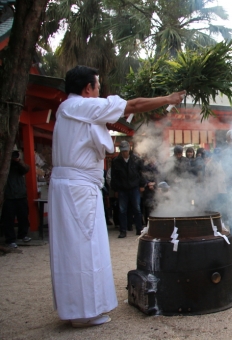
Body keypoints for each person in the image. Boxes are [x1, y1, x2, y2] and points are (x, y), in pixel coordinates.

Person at [48, 65, 185, 327]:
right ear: (87, 89)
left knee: (79, 247)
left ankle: (81, 308)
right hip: (77, 190)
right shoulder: (81, 106)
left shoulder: (70, 109)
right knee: (83, 247)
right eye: (98, 86)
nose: (100, 91)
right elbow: (133, 105)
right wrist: (168, 99)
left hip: (74, 187)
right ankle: (83, 312)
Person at [110, 141, 146, 238]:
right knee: (122, 210)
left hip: (134, 187)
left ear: (129, 149)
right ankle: (123, 230)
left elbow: (142, 173)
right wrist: (115, 190)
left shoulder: (136, 159)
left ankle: (139, 229)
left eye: (126, 151)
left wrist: (142, 185)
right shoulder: (116, 161)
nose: (124, 153)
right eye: (123, 151)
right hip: (122, 188)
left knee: (137, 209)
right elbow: (114, 177)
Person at [1, 151, 31, 248]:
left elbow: (26, 169)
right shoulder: (4, 166)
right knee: (8, 220)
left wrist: (18, 161)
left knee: (23, 217)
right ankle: (10, 239)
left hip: (21, 195)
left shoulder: (18, 166)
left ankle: (23, 235)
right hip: (9, 196)